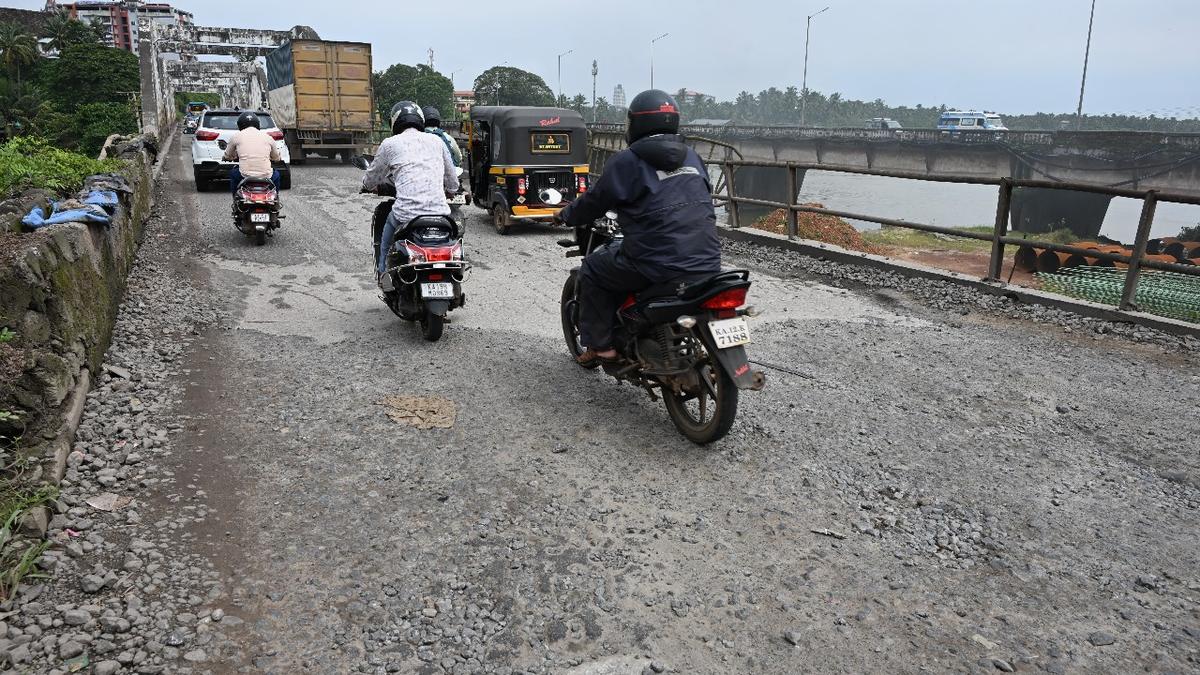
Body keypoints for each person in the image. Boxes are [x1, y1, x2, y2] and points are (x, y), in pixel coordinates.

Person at [556, 89, 721, 367]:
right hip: (708, 260)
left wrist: (565, 215)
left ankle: (603, 347)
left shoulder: (627, 161)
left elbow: (595, 201)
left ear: (635, 124)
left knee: (594, 268)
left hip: (655, 262)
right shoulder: (693, 157)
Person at [363, 101, 458, 289]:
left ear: (395, 122)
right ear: (420, 120)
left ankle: (384, 275)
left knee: (385, 241)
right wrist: (450, 191)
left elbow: (372, 177)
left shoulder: (389, 144)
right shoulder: (437, 141)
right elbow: (452, 179)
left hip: (405, 214)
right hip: (440, 214)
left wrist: (367, 186)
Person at [222, 112, 280, 197]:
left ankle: (236, 198)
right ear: (257, 124)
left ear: (240, 125)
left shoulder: (236, 136)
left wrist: (227, 158)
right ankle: (275, 198)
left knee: (233, 173)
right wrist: (275, 158)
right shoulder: (268, 137)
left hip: (245, 175)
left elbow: (228, 155)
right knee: (277, 175)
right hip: (266, 175)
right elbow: (276, 157)